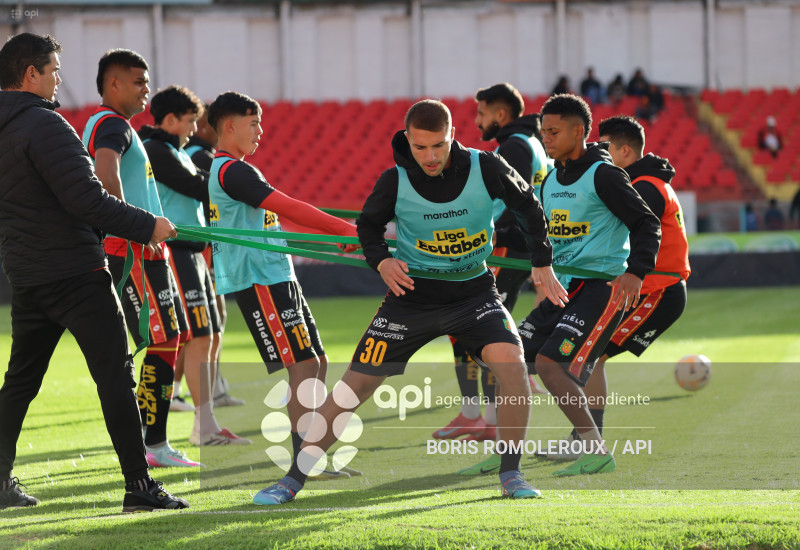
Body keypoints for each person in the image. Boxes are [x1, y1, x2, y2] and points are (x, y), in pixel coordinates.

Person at [252, 99, 569, 505]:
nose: (430, 156)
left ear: (452, 136)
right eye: (420, 148)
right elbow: (367, 227)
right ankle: (292, 479)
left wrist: (542, 263)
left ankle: (511, 474)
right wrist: (381, 260)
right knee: (354, 386)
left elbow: (529, 207)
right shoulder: (393, 180)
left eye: (438, 145)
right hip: (411, 298)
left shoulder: (486, 166)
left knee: (512, 367)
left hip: (474, 293)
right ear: (407, 140)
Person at [0, 32, 187, 512]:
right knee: (115, 376)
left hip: (26, 275)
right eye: (54, 70)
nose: (59, 79)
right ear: (30, 75)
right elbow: (86, 199)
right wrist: (149, 225)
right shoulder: (46, 126)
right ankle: (139, 487)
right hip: (76, 273)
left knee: (20, 381)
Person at [206, 91, 363, 481]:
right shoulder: (232, 171)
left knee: (316, 361)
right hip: (260, 279)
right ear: (229, 126)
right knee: (305, 364)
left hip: (275, 275)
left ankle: (310, 456)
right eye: (253, 123)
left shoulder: (235, 169)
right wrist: (341, 228)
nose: (262, 131)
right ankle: (305, 461)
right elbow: (288, 206)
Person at [512, 95, 660, 477]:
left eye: (554, 131)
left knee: (549, 364)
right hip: (566, 288)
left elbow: (646, 224)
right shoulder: (549, 180)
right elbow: (543, 232)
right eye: (543, 131)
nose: (546, 138)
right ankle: (506, 456)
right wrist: (540, 265)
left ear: (579, 131)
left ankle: (596, 451)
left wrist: (636, 271)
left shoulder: (604, 175)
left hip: (601, 289)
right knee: (507, 358)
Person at [541, 115, 688, 459]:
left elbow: (623, 230)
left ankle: (586, 441)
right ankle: (586, 439)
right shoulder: (646, 182)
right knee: (591, 356)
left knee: (587, 355)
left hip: (656, 290)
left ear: (624, 151)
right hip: (653, 289)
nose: (594, 152)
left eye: (602, 147)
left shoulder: (644, 187)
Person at [82, 49, 201, 468]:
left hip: (144, 248)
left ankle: (151, 440)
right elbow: (105, 172)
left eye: (147, 81)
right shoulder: (111, 124)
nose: (146, 89)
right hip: (131, 249)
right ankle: (153, 444)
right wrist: (135, 226)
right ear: (113, 84)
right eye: (138, 81)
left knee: (172, 336)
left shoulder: (120, 126)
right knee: (163, 338)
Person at [433, 83, 551, 449]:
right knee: (476, 328)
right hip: (516, 248)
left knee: (476, 327)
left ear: (501, 114)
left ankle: (485, 419)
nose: (477, 120)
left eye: (481, 113)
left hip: (504, 248)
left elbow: (506, 199)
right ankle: (482, 416)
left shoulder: (513, 145)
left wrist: (472, 229)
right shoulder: (531, 141)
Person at [139, 85, 249, 445]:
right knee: (196, 337)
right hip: (177, 253)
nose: (193, 128)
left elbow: (201, 185)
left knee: (211, 333)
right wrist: (243, 188)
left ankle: (206, 423)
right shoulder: (157, 149)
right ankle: (191, 427)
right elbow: (196, 188)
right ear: (170, 120)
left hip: (193, 253)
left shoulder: (176, 149)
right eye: (189, 121)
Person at [182, 106, 245, 409]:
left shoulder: (196, 155)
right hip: (200, 249)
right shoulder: (201, 157)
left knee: (212, 320)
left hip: (205, 248)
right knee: (201, 325)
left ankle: (212, 388)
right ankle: (182, 390)